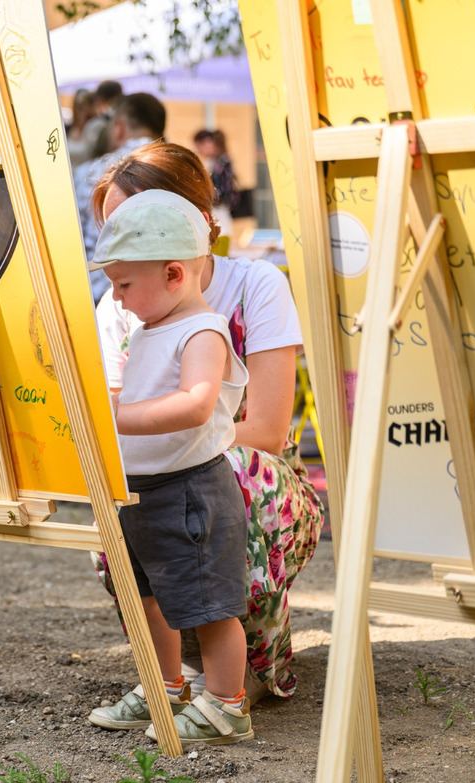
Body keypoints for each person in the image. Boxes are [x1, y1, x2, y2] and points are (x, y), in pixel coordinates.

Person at [91, 141, 324, 705]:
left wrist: (143, 429)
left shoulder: (253, 287)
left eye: (135, 221)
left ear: (192, 221)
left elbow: (267, 430)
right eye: (111, 225)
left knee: (221, 471)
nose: (119, 240)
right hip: (162, 476)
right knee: (123, 504)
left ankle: (237, 674)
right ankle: (169, 673)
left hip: (253, 480)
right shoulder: (120, 303)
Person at [86, 188, 253, 746]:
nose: (118, 297)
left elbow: (196, 404)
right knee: (148, 596)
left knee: (209, 605)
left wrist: (116, 418)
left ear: (176, 273)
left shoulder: (202, 331)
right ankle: (167, 685)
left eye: (125, 284)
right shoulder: (150, 327)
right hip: (145, 490)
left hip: (191, 491)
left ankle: (228, 705)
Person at [74, 92, 166, 303]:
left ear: (119, 127)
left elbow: (75, 241)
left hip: (98, 294)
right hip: (163, 295)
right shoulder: (178, 169)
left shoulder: (89, 173)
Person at [193, 129, 237, 238]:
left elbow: (217, 188)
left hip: (218, 208)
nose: (199, 150)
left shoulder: (220, 162)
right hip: (219, 208)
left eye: (200, 146)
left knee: (220, 236)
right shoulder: (217, 161)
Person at [65, 88, 98, 168]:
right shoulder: (67, 129)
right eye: (79, 106)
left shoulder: (95, 128)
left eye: (85, 106)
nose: (82, 111)